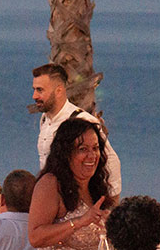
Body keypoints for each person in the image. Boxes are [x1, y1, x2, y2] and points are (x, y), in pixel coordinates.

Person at [29, 117, 115, 250]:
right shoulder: (51, 184)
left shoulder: (97, 188)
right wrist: (80, 221)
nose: (92, 156)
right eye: (83, 149)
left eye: (95, 148)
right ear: (66, 153)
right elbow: (35, 237)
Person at [31, 62, 121, 194]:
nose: (34, 96)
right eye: (34, 89)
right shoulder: (44, 119)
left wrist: (109, 204)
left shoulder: (82, 120)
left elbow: (111, 161)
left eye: (40, 90)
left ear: (59, 90)